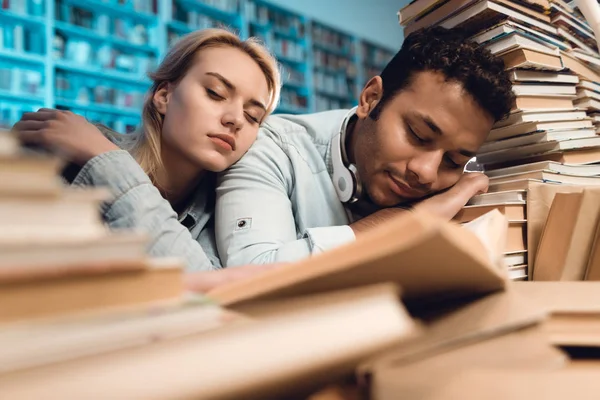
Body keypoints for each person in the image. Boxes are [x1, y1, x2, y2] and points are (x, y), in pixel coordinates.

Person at [214, 26, 516, 267]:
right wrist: (410, 221)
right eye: (418, 134)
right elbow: (249, 272)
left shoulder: (450, 190)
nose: (425, 173)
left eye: (453, 160)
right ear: (370, 98)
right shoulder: (273, 146)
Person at [14, 29, 281, 281]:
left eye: (252, 116)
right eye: (215, 93)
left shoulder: (231, 210)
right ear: (163, 95)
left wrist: (107, 160)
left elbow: (208, 285)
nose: (235, 119)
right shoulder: (67, 151)